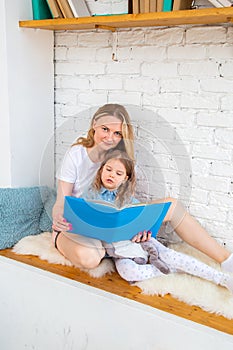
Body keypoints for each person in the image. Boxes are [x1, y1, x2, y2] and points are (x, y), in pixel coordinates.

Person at [52, 103, 233, 273]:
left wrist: (138, 227)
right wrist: (58, 218)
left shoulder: (121, 159)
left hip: (111, 226)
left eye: (117, 133)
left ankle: (226, 260)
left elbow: (125, 202)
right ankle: (105, 249)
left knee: (172, 206)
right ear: (94, 125)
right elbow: (61, 203)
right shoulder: (76, 154)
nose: (109, 137)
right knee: (90, 258)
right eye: (105, 129)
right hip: (77, 228)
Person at [82, 150, 233, 292]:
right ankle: (169, 269)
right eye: (108, 169)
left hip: (140, 242)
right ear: (101, 170)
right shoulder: (90, 195)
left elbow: (142, 219)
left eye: (118, 173)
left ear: (125, 178)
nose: (112, 175)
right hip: (120, 252)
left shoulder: (128, 199)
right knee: (128, 272)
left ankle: (221, 278)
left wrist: (144, 232)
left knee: (170, 255)